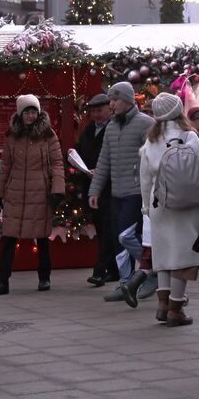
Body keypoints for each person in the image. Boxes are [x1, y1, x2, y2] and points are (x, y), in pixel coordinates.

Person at [140, 93, 199, 326]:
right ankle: (176, 308)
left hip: (159, 202)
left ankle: (162, 305)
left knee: (163, 254)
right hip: (188, 203)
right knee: (184, 257)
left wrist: (146, 206)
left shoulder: (151, 140)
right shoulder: (189, 135)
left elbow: (144, 178)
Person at [0, 95, 65, 296]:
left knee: (42, 236)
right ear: (20, 114)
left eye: (33, 111)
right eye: (27, 112)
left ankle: (44, 277)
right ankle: (2, 281)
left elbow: (57, 164)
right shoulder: (12, 136)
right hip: (15, 192)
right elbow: (5, 166)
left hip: (39, 191)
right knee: (9, 238)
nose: (30, 115)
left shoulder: (48, 135)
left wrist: (57, 189)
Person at [89, 82, 155, 305]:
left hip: (136, 191)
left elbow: (153, 158)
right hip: (116, 192)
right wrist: (95, 189)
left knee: (125, 235)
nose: (111, 104)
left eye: (115, 100)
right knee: (119, 241)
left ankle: (150, 270)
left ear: (127, 100)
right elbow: (104, 160)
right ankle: (126, 282)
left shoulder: (146, 124)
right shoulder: (111, 127)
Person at [75, 94, 115, 287]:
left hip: (110, 186)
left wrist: (100, 170)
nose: (96, 115)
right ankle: (113, 270)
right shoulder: (89, 130)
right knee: (101, 227)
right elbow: (82, 151)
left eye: (100, 110)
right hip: (92, 185)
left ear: (109, 109)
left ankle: (100, 270)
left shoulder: (114, 128)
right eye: (93, 111)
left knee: (108, 228)